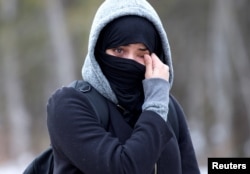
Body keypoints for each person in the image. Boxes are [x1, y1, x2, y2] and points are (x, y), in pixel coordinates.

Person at [47, 0, 200, 173]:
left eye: (142, 54)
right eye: (119, 51)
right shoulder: (69, 104)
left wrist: (158, 102)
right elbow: (124, 169)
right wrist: (156, 108)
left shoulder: (169, 108)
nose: (130, 62)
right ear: (99, 51)